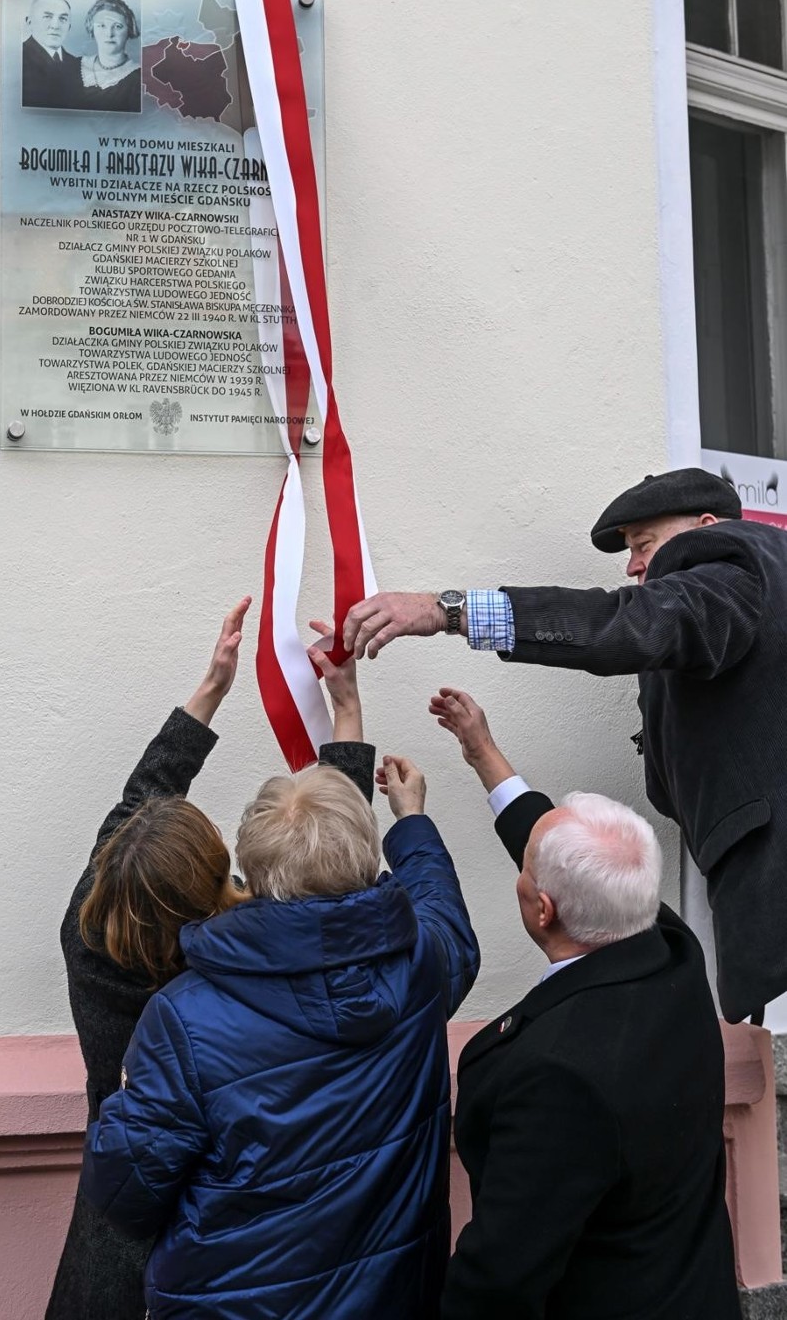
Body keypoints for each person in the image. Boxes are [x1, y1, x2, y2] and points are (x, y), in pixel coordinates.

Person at [343, 465, 787, 1024]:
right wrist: (484, 752)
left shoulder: (730, 564)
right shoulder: (758, 581)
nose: (633, 566)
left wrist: (447, 611)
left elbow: (624, 625)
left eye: (644, 543)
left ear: (705, 525)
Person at [46, 599, 388, 1320]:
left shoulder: (87, 938)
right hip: (212, 1240)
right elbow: (334, 895)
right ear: (214, 882)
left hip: (110, 1232)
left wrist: (211, 689)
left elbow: (136, 807)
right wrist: (346, 713)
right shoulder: (228, 983)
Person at [78, 715, 479, 1316]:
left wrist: (127, 1099)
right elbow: (443, 911)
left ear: (252, 869)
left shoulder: (183, 1019)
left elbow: (124, 1195)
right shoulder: (422, 963)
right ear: (367, 863)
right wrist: (413, 822)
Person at [424, 686, 740, 1320]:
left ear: (542, 910)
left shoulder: (559, 1078)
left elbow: (499, 1280)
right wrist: (482, 750)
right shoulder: (670, 947)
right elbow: (564, 857)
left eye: (528, 870)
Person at [78, 0, 141, 112]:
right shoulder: (72, 66)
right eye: (102, 26)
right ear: (92, 30)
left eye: (117, 26)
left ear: (129, 30)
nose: (109, 34)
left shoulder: (140, 78)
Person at [22, 0, 82, 109]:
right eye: (47, 17)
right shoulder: (17, 59)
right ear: (30, 22)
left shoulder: (78, 65)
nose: (55, 25)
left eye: (63, 19)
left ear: (69, 26)